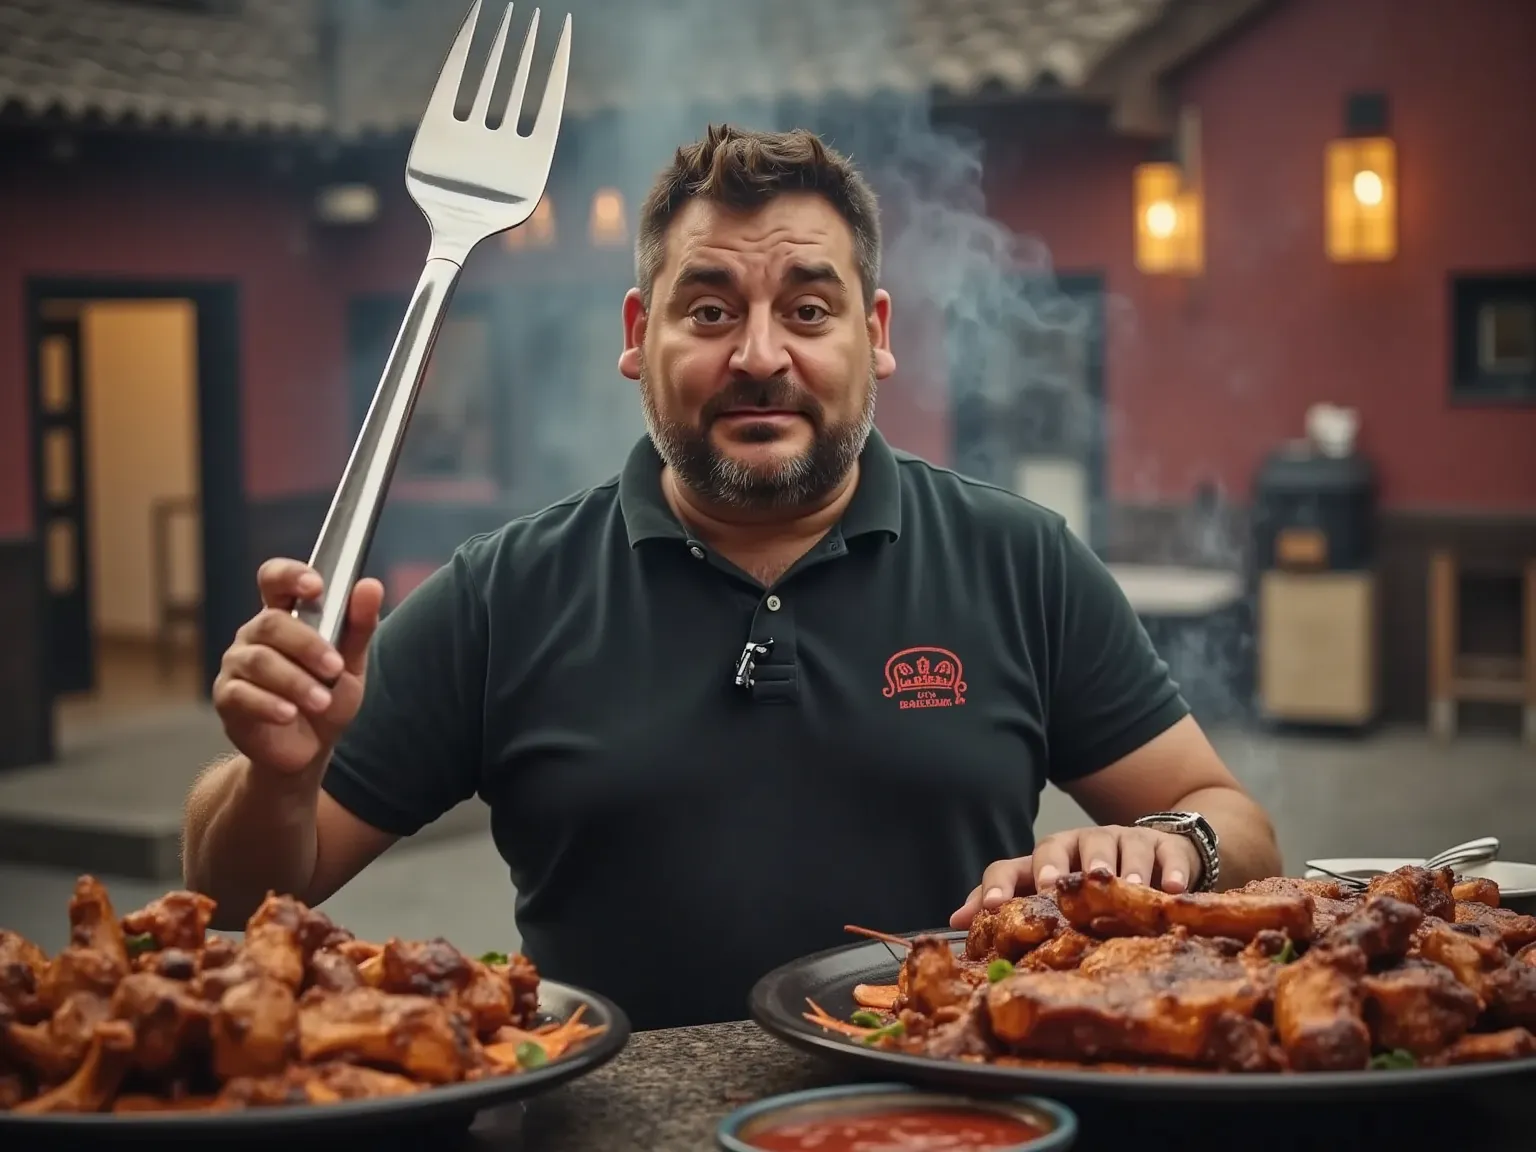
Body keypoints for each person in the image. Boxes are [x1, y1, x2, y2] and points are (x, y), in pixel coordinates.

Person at [182, 124, 1282, 1031]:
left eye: (809, 309)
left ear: (876, 335)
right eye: (709, 310)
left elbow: (1238, 826)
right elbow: (234, 895)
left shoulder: (1019, 559)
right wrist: (277, 779)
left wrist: (1174, 841)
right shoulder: (502, 592)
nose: (760, 354)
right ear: (637, 334)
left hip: (945, 1118)